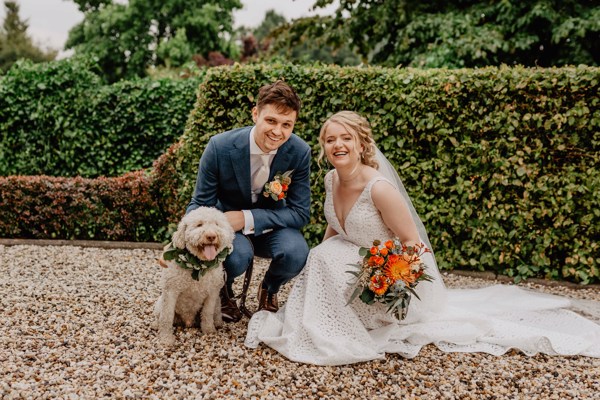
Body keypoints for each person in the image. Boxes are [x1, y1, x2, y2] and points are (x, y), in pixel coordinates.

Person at [245, 110, 600, 365]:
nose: (337, 144)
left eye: (345, 138)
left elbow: (414, 245)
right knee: (320, 254)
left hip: (384, 274)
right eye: (330, 139)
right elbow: (336, 226)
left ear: (361, 143)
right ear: (323, 146)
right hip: (349, 258)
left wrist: (390, 278)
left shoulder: (379, 189)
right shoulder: (330, 179)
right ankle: (313, 321)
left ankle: (339, 324)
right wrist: (319, 258)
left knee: (325, 257)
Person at [186, 80, 311, 323]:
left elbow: (300, 212)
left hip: (271, 227)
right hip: (228, 229)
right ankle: (224, 290)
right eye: (271, 121)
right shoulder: (219, 146)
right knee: (236, 257)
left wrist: (246, 218)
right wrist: (182, 240)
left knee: (296, 252)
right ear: (255, 114)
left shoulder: (299, 152)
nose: (278, 131)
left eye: (287, 124)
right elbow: (200, 203)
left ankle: (270, 288)